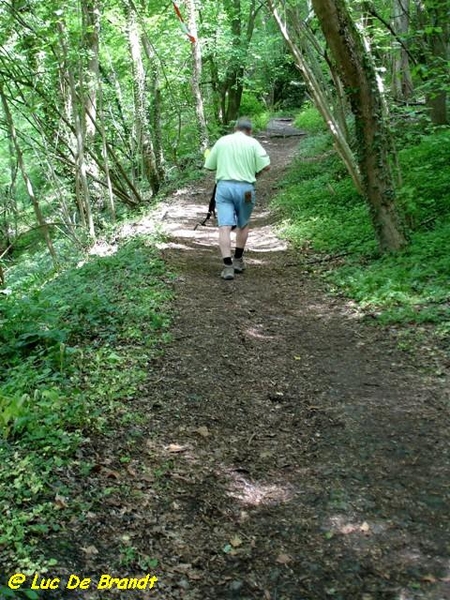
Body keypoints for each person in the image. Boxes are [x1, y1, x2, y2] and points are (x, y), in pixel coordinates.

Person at [204, 117, 270, 280]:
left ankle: (227, 267)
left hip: (224, 188)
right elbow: (267, 166)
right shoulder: (253, 143)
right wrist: (255, 175)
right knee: (243, 224)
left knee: (224, 227)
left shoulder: (222, 141)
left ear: (235, 128)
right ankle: (238, 260)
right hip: (246, 189)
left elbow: (210, 165)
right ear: (250, 130)